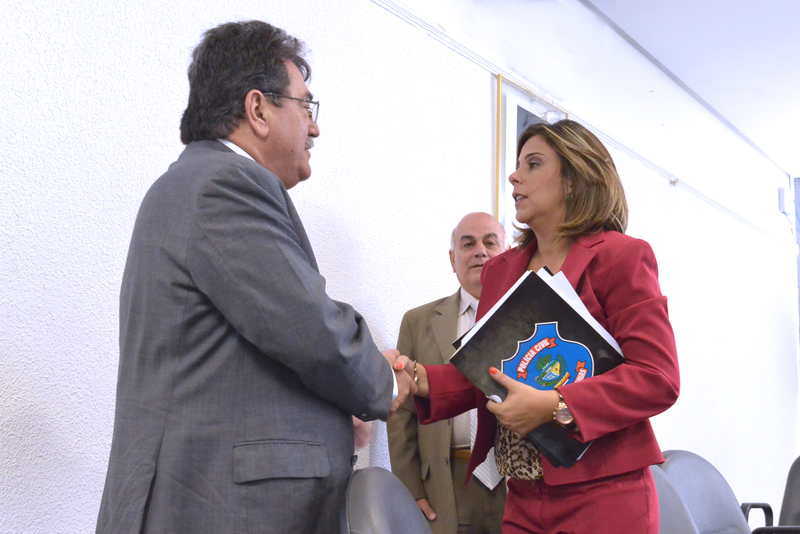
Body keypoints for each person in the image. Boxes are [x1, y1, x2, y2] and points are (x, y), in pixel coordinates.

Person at [96, 21, 414, 534]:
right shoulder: (226, 184)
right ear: (259, 109)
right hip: (215, 510)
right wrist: (382, 380)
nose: (314, 128)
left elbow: (248, 357)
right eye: (305, 107)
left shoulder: (196, 182)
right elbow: (310, 330)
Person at [408, 119, 679, 534]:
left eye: (533, 164)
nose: (514, 176)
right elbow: (491, 373)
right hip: (521, 496)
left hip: (604, 495)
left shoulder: (622, 257)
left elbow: (657, 377)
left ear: (573, 179)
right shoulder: (502, 270)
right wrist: (417, 378)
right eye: (518, 165)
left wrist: (556, 405)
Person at [388, 212, 508, 534]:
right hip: (446, 483)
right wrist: (409, 489)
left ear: (508, 254)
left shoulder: (530, 316)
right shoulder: (417, 322)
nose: (480, 251)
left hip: (516, 480)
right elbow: (402, 413)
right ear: (453, 259)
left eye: (490, 242)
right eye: (468, 244)